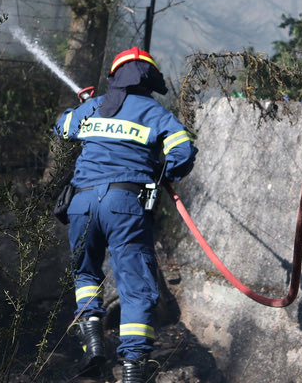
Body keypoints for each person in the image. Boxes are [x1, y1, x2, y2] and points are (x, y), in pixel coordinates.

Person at [53, 47, 197, 383]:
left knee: (86, 273)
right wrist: (165, 171)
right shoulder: (154, 112)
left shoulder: (94, 106)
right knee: (134, 286)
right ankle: (132, 367)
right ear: (149, 80)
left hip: (82, 203)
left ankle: (93, 344)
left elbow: (62, 127)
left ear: (116, 77)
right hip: (125, 204)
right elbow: (183, 150)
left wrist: (82, 107)